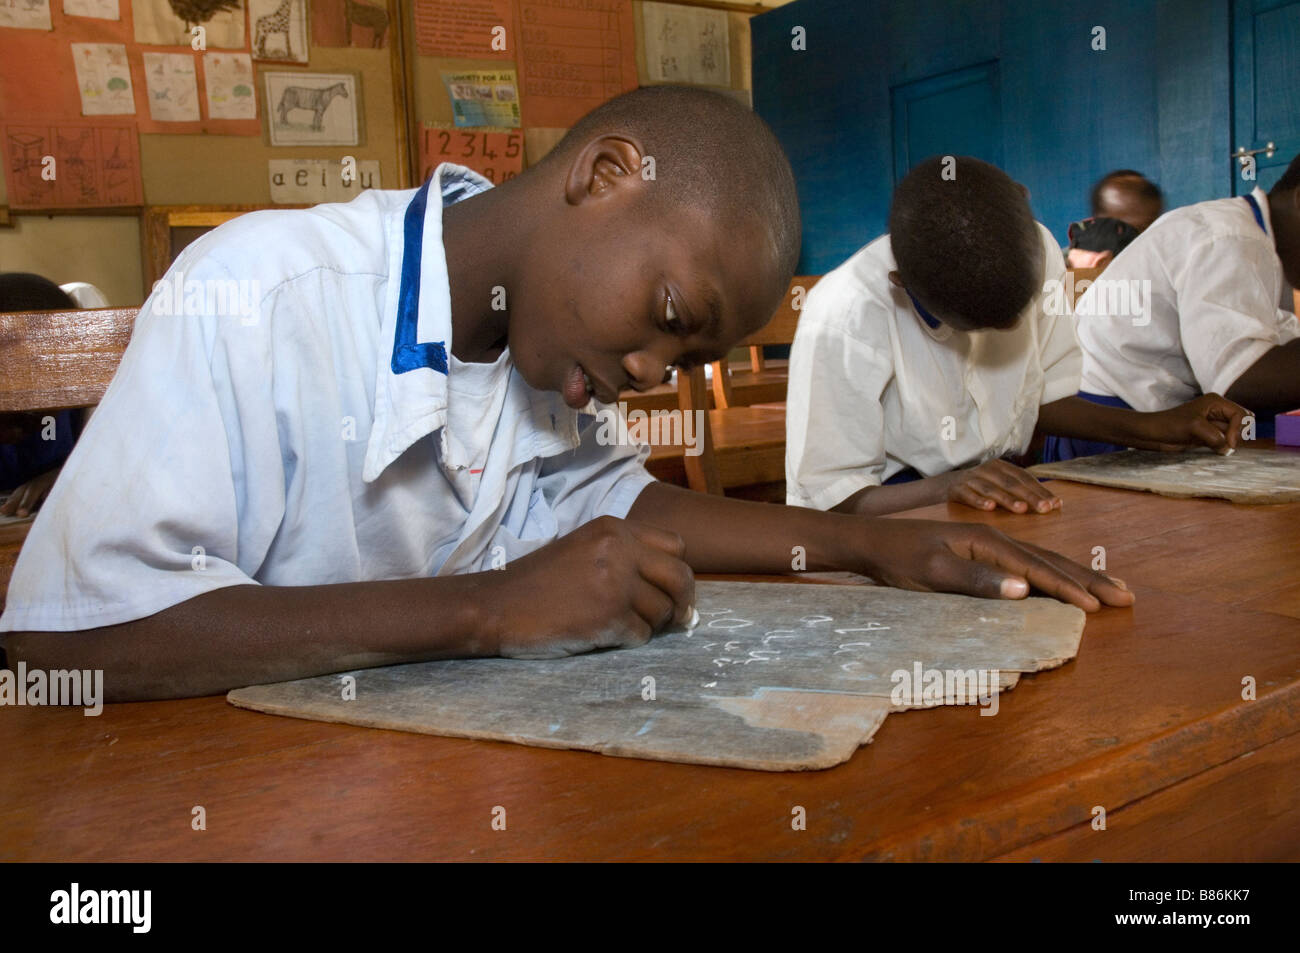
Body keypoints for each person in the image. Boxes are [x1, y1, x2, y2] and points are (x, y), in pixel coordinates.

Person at [1, 89, 1133, 702]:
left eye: (684, 363)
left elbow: (622, 506)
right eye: (671, 317)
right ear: (602, 176)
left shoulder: (543, 348)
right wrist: (492, 608)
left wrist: (868, 548)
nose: (653, 372)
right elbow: (69, 646)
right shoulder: (261, 294)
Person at [786, 156, 1246, 515]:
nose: (1008, 333)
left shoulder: (1040, 248)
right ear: (900, 284)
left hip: (1003, 484)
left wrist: (1149, 426)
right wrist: (947, 488)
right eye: (976, 324)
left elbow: (1040, 396)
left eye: (1018, 312)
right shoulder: (845, 315)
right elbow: (828, 499)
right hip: (898, 508)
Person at [1062, 153, 1300, 457]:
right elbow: (1241, 380)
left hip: (1145, 420)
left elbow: (1276, 343)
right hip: (1108, 428)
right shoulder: (1230, 238)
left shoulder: (1255, 242)